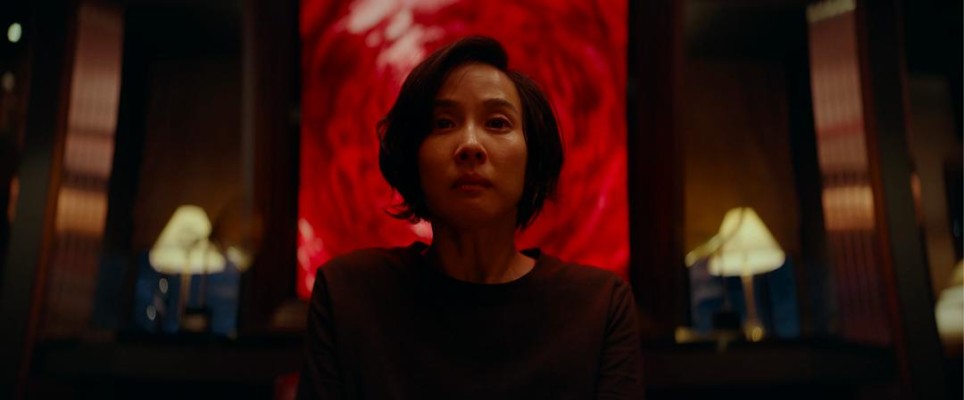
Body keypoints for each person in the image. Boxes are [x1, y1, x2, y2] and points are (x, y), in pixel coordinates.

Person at [298, 36, 643, 399]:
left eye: (497, 123)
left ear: (532, 157)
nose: (470, 146)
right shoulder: (350, 295)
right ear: (413, 160)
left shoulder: (597, 306)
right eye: (443, 123)